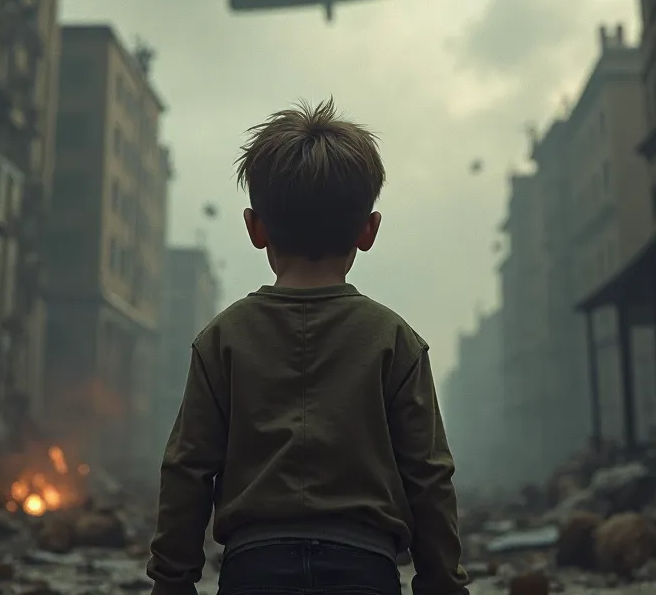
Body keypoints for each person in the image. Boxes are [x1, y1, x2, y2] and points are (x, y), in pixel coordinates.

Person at [147, 97, 470, 595]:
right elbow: (428, 476)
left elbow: (187, 468)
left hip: (254, 569)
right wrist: (443, 584)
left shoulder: (221, 339)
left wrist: (172, 582)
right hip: (365, 569)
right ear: (369, 230)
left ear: (255, 228)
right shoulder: (396, 341)